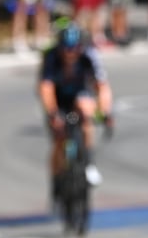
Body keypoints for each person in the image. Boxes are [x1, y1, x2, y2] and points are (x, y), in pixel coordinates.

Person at [38, 24, 113, 199]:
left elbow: (102, 87)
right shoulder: (52, 58)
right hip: (58, 99)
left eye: (75, 49)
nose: (71, 53)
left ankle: (88, 163)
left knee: (86, 112)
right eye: (66, 49)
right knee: (59, 138)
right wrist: (53, 113)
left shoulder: (89, 56)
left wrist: (105, 112)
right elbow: (46, 88)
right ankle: (56, 177)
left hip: (79, 96)